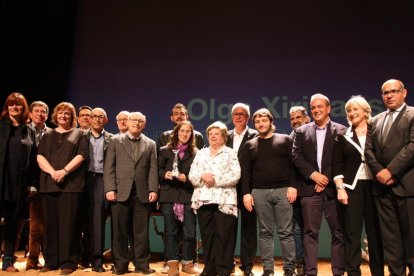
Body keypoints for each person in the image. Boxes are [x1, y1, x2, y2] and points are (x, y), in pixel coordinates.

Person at [292, 93, 346, 276]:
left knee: (338, 233)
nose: (316, 110)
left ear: (328, 108)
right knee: (309, 233)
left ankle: (338, 271)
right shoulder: (301, 131)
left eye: (320, 106)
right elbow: (296, 157)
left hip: (332, 190)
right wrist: (314, 175)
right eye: (313, 107)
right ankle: (310, 272)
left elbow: (341, 161)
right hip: (309, 190)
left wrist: (325, 178)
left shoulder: (341, 130)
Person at [365, 79, 414, 276]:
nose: (390, 95)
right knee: (391, 239)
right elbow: (368, 151)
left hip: (407, 186)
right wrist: (380, 172)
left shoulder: (412, 114)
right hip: (383, 188)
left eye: (394, 91)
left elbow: (413, 146)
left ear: (404, 93)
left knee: (411, 237)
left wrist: (392, 171)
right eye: (386, 92)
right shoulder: (375, 120)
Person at [240, 108, 297, 276]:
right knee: (265, 232)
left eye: (264, 120)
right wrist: (246, 193)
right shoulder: (250, 145)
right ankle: (268, 269)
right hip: (259, 192)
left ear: (271, 121)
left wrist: (293, 186)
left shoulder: (285, 140)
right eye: (257, 121)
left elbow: (293, 166)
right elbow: (246, 173)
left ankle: (289, 269)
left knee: (286, 232)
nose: (260, 124)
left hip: (283, 191)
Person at [332, 95, 384, 276]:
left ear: (365, 111)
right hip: (351, 189)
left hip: (376, 187)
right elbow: (337, 166)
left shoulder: (377, 131)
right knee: (352, 233)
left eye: (355, 109)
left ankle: (377, 271)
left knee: (375, 233)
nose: (352, 113)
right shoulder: (342, 137)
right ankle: (353, 271)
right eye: (349, 111)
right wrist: (340, 188)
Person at [104, 111, 159, 275]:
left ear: (144, 124)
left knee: (141, 232)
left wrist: (153, 189)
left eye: (140, 120)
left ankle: (142, 264)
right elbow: (109, 168)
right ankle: (120, 265)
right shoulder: (115, 141)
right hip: (120, 192)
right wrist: (109, 189)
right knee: (119, 231)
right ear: (127, 122)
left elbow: (153, 169)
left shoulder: (150, 144)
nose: (137, 123)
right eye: (134, 120)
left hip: (142, 193)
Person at [37, 102, 89, 275]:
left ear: (72, 116)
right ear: (55, 115)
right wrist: (53, 172)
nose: (63, 116)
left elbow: (81, 156)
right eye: (61, 113)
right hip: (49, 183)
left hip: (72, 185)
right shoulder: (47, 135)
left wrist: (64, 171)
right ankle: (51, 261)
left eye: (67, 114)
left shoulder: (80, 134)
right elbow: (40, 157)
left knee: (69, 225)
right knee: (51, 225)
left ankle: (68, 261)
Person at [189, 121, 241, 276]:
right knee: (208, 237)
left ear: (223, 136)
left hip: (224, 202)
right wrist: (202, 176)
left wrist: (214, 179)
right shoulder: (201, 153)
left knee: (224, 237)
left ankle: (224, 269)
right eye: (210, 134)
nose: (212, 136)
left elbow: (235, 175)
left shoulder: (230, 153)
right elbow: (192, 175)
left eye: (216, 134)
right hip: (204, 200)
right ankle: (210, 269)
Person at [157, 103, 204, 274]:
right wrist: (165, 175)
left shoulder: (197, 153)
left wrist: (188, 178)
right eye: (181, 131)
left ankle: (188, 263)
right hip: (169, 195)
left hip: (188, 194)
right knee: (170, 231)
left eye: (187, 131)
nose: (184, 134)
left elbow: (199, 173)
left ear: (191, 134)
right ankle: (172, 264)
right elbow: (158, 170)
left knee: (190, 231)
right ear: (176, 133)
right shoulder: (164, 150)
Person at [0, 92, 37, 272]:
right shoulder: (1, 126)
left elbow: (33, 159)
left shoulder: (29, 129)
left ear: (24, 108)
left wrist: (32, 184)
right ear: (7, 107)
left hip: (18, 184)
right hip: (2, 180)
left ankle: (8, 260)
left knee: (12, 223)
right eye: (11, 104)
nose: (14, 107)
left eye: (18, 105)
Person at [226, 103, 258, 276]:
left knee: (249, 229)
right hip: (228, 189)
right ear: (232, 117)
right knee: (228, 228)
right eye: (235, 114)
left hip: (248, 189)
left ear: (248, 117)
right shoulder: (225, 135)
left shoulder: (256, 135)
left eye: (242, 114)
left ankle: (247, 265)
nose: (238, 117)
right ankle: (227, 262)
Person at [80, 107, 113, 272]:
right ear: (90, 119)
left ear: (105, 120)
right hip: (81, 180)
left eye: (101, 117)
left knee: (97, 221)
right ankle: (81, 257)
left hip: (100, 180)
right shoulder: (80, 136)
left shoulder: (112, 139)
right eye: (95, 116)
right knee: (80, 220)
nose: (98, 119)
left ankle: (97, 260)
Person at [26, 100, 51, 270]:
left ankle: (42, 259)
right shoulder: (23, 130)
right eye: (36, 110)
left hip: (46, 183)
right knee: (22, 223)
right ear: (30, 113)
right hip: (25, 182)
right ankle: (30, 259)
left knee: (41, 225)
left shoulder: (52, 133)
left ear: (47, 115)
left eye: (43, 111)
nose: (40, 114)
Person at [288, 105, 310, 276]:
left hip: (312, 188)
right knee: (295, 228)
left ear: (306, 118)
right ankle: (300, 264)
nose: (295, 121)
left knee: (310, 229)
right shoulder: (289, 138)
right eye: (292, 119)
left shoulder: (312, 134)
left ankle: (310, 265)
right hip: (294, 190)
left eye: (298, 117)